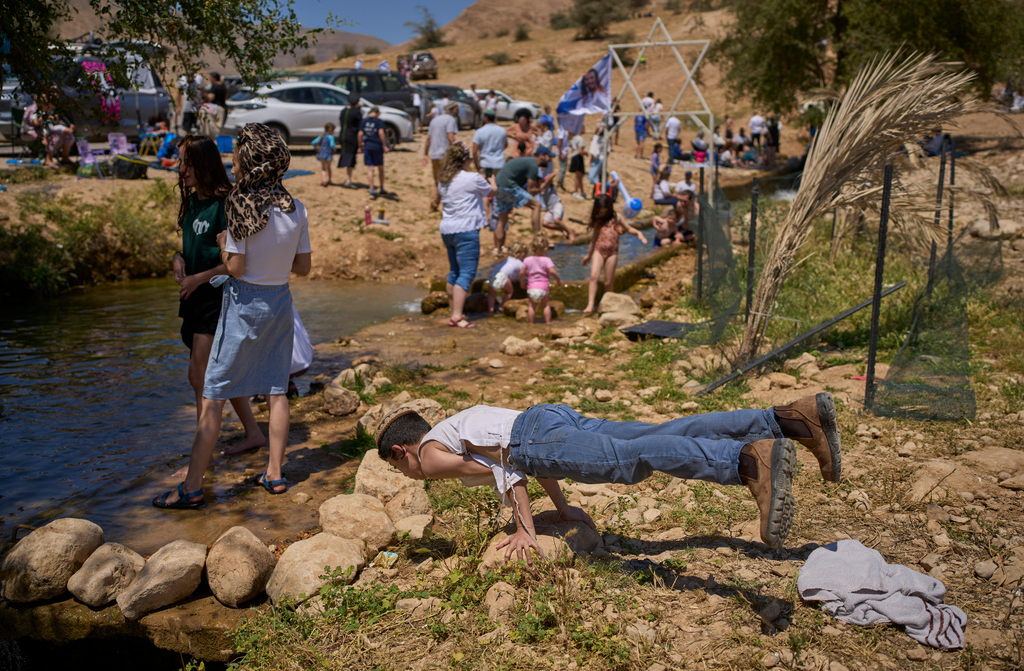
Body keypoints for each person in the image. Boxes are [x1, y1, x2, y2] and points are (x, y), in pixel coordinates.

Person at [375, 392, 843, 558]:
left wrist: (526, 530)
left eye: (399, 467)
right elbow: (517, 453)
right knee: (663, 432)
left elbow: (510, 467)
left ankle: (744, 462)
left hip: (533, 440)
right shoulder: (450, 429)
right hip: (544, 421)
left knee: (630, 459)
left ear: (401, 451)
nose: (408, 474)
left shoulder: (432, 456)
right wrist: (561, 510)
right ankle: (791, 420)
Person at [153, 123, 312, 509]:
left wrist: (225, 245)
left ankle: (191, 488)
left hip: (243, 305)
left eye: (238, 155)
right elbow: (304, 268)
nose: (234, 162)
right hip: (279, 302)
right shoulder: (296, 207)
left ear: (250, 160)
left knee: (212, 395)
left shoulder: (241, 204)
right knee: (276, 390)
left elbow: (236, 268)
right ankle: (275, 473)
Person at [170, 135, 267, 476]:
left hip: (218, 298)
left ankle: (204, 456)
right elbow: (188, 246)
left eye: (187, 162)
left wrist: (199, 278)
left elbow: (236, 263)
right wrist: (179, 259)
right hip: (194, 297)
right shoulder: (192, 202)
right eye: (179, 161)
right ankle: (254, 433)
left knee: (199, 376)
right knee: (218, 373)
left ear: (205, 164)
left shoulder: (227, 204)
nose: (180, 169)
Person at [437, 142, 496, 329]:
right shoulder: (472, 178)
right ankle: (457, 316)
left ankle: (452, 311)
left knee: (454, 271)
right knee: (467, 273)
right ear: (464, 160)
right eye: (469, 159)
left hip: (448, 230)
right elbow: (491, 192)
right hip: (467, 230)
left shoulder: (443, 180)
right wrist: (493, 181)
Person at [581, 194, 647, 314]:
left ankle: (608, 304)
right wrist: (589, 255)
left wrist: (638, 233)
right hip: (599, 251)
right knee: (594, 276)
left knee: (608, 282)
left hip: (612, 253)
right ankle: (590, 304)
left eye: (605, 212)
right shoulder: (598, 220)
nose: (603, 214)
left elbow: (628, 229)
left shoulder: (616, 217)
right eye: (600, 212)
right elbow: (594, 239)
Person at [493, 147, 551, 254]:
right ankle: (537, 238)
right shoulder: (533, 164)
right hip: (508, 186)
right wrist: (546, 183)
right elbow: (531, 191)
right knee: (536, 205)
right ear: (541, 155)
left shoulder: (528, 162)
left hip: (499, 186)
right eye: (549, 157)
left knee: (502, 220)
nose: (550, 160)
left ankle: (498, 250)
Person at [472, 108, 508, 223]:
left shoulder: (480, 131)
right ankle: (497, 215)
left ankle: (485, 216)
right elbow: (505, 145)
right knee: (498, 190)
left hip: (486, 164)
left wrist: (477, 165)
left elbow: (474, 151)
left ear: (485, 118)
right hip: (499, 163)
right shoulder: (502, 130)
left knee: (484, 191)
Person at [425, 101, 459, 211]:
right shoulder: (450, 120)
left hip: (434, 154)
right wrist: (457, 150)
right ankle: (447, 206)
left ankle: (433, 206)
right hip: (445, 154)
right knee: (448, 181)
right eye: (456, 109)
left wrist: (425, 153)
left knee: (438, 182)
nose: (457, 111)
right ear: (451, 110)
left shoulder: (434, 120)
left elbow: (428, 139)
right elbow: (450, 136)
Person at [519, 234, 560, 325]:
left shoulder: (527, 260)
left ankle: (531, 323)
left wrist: (522, 283)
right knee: (545, 305)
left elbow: (522, 273)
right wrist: (558, 280)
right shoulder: (547, 260)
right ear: (545, 249)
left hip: (531, 288)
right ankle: (548, 323)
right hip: (543, 288)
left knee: (531, 306)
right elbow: (552, 272)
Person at [537, 159, 574, 243]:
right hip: (550, 208)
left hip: (557, 204)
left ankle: (570, 233)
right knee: (545, 223)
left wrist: (545, 182)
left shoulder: (547, 183)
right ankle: (563, 230)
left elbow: (553, 174)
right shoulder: (538, 187)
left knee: (556, 220)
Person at [487, 242, 528, 314]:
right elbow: (525, 273)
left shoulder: (508, 259)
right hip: (503, 277)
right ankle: (502, 306)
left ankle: (490, 309)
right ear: (523, 254)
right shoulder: (520, 263)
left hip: (493, 275)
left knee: (491, 294)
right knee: (509, 292)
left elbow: (510, 270)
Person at [359, 106, 389, 197]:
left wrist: (360, 145)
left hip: (367, 146)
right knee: (380, 168)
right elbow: (381, 133)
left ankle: (371, 188)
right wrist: (384, 145)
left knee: (370, 169)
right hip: (377, 146)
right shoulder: (379, 122)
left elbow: (360, 134)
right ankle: (382, 187)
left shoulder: (364, 121)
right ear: (378, 113)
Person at [336, 95, 362, 188]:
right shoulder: (357, 112)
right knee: (351, 158)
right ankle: (348, 179)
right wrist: (361, 143)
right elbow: (359, 128)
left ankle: (348, 178)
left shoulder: (343, 111)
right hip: (352, 137)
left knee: (346, 156)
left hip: (343, 135)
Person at [312, 123, 336, 187]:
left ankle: (324, 180)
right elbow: (332, 145)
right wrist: (334, 149)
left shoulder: (322, 136)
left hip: (322, 155)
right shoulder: (331, 137)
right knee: (329, 167)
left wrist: (316, 149)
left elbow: (313, 142)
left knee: (323, 168)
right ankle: (330, 180)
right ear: (331, 130)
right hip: (328, 155)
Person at [568, 131, 587, 199]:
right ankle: (576, 192)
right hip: (578, 158)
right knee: (578, 176)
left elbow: (572, 149)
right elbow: (580, 151)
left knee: (579, 176)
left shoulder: (574, 138)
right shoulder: (580, 139)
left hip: (574, 157)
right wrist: (585, 153)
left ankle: (582, 192)